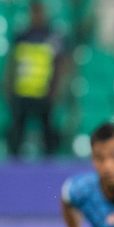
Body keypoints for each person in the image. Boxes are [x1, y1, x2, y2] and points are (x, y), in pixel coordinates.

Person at [6, 1, 64, 157]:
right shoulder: (22, 36)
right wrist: (9, 86)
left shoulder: (52, 37)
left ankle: (50, 164)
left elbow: (60, 65)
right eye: (34, 13)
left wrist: (56, 90)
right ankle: (13, 164)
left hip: (44, 93)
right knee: (16, 132)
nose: (37, 16)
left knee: (48, 132)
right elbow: (13, 63)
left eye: (40, 13)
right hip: (22, 92)